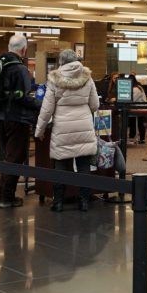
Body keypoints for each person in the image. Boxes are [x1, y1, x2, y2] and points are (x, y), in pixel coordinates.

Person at [34, 48, 99, 212]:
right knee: (84, 164)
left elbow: (46, 110)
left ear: (61, 62)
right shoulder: (87, 77)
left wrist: (39, 131)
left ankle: (59, 203)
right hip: (84, 125)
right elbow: (95, 105)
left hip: (62, 127)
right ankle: (84, 201)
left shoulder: (54, 79)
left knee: (61, 164)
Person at [0, 34, 39, 208]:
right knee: (15, 157)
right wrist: (40, 104)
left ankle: (0, 193)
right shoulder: (19, 69)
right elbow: (23, 98)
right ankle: (6, 197)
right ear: (24, 49)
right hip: (16, 118)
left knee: (6, 156)